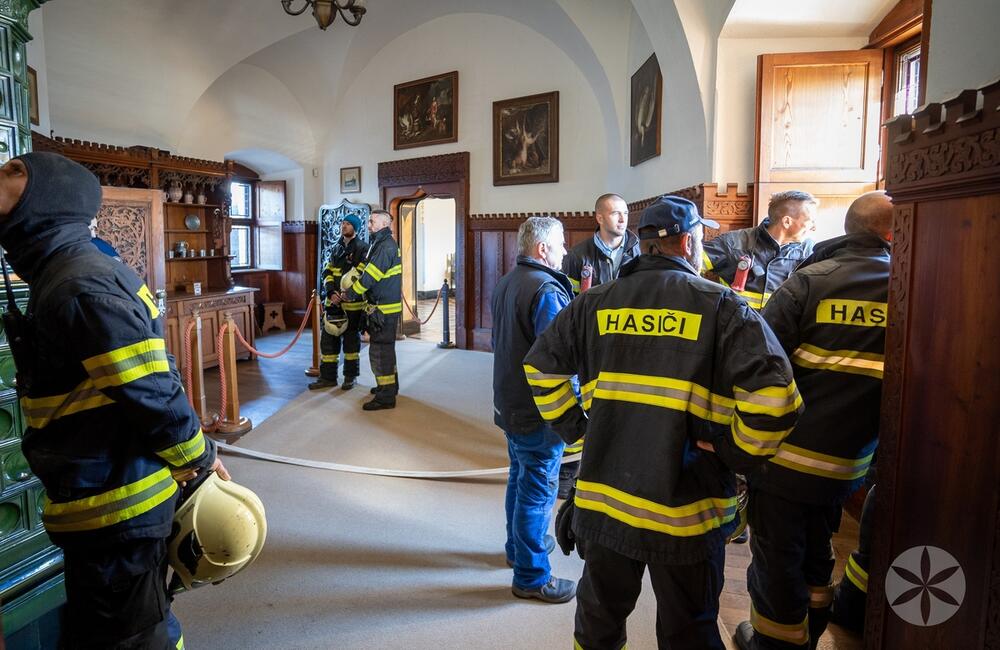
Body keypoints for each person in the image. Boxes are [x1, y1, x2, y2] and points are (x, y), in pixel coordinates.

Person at [524, 195, 802, 649]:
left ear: (643, 244)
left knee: (597, 628)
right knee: (688, 631)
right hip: (687, 518)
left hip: (605, 507)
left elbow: (540, 369)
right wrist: (733, 452)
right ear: (690, 241)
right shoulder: (722, 308)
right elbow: (778, 402)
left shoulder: (593, 303)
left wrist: (582, 430)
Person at [0, 152, 229, 650]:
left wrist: (200, 460)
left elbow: (150, 390)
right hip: (99, 493)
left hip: (117, 505)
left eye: (12, 172)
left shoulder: (82, 281)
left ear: (49, 197)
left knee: (134, 636)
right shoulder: (66, 269)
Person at [734, 191, 893, 650]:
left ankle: (773, 643)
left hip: (786, 459)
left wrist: (742, 446)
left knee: (777, 559)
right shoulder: (909, 286)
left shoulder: (809, 282)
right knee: (817, 553)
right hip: (850, 465)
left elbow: (758, 363)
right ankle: (811, 631)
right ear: (890, 235)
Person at [491, 215, 576, 604]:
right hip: (538, 409)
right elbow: (557, 357)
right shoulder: (545, 290)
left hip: (510, 402)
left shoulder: (508, 282)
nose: (565, 250)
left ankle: (516, 549)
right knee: (538, 491)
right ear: (542, 249)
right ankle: (531, 575)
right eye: (560, 244)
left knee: (520, 479)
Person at [557, 193, 641, 498]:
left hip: (631, 341)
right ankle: (569, 473)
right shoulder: (578, 256)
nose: (622, 219)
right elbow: (567, 304)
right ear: (599, 217)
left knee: (624, 404)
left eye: (625, 213)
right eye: (615, 213)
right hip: (591, 342)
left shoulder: (640, 253)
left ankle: (618, 467)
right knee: (583, 402)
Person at [702, 190, 818, 310]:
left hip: (780, 328)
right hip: (735, 327)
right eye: (810, 221)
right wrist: (709, 304)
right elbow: (687, 266)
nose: (814, 227)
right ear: (787, 222)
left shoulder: (810, 251)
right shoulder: (732, 243)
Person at [333, 209, 402, 410]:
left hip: (383, 309)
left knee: (380, 351)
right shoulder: (379, 243)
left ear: (383, 223)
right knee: (386, 349)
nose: (368, 225)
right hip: (382, 307)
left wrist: (350, 293)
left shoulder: (385, 246)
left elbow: (370, 277)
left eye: (371, 221)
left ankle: (385, 396)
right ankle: (389, 386)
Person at [309, 213, 367, 391]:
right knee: (328, 342)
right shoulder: (335, 248)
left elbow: (362, 275)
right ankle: (328, 377)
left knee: (351, 343)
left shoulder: (363, 248)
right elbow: (327, 272)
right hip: (333, 303)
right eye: (342, 223)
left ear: (355, 228)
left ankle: (350, 377)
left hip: (352, 305)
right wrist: (332, 292)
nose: (344, 226)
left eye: (348, 224)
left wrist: (346, 293)